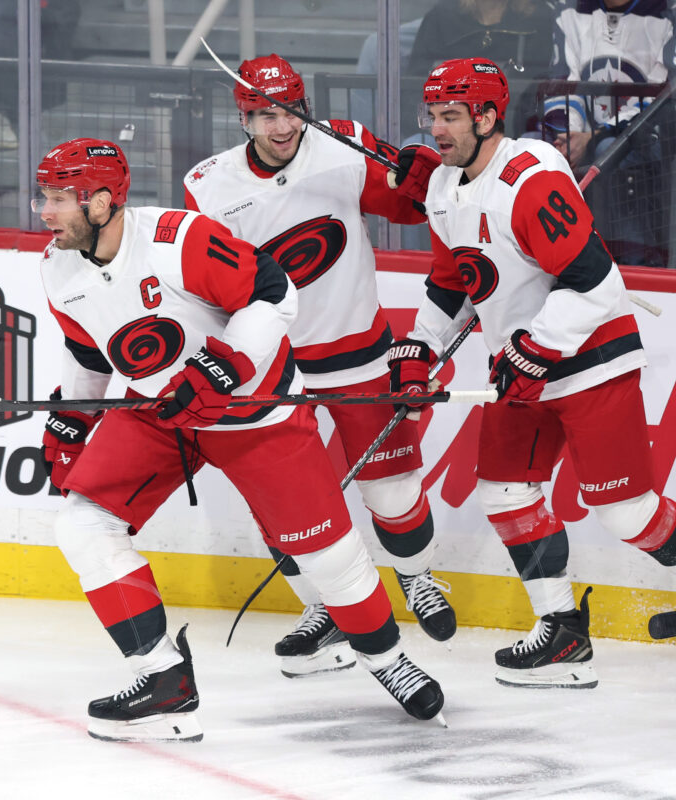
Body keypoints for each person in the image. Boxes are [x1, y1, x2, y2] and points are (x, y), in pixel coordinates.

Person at [36, 137, 445, 740]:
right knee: (82, 523)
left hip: (254, 411)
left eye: (57, 199)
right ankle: (162, 677)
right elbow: (85, 351)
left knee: (329, 558)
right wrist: (70, 421)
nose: (44, 211)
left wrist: (219, 369)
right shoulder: (57, 264)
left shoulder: (180, 239)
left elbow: (275, 294)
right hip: (160, 411)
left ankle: (387, 660)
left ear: (101, 201)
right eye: (44, 196)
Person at [391, 57, 676, 689]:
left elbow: (597, 282)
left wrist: (536, 347)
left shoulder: (531, 178)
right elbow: (452, 283)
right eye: (431, 116)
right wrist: (421, 346)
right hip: (522, 367)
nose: (437, 130)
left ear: (489, 116)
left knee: (623, 512)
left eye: (451, 116)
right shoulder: (443, 188)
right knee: (504, 491)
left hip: (589, 361)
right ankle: (562, 634)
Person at [182, 54, 456, 678]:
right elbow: (206, 283)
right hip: (273, 370)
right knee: (285, 504)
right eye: (266, 115)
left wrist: (425, 176)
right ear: (245, 117)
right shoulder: (207, 183)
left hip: (357, 351)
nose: (283, 128)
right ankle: (324, 607)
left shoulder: (347, 146)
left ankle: (417, 580)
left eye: (292, 112)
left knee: (394, 490)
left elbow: (413, 208)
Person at [543, 0, 676, 266]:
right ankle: (556, 260)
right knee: (536, 150)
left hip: (668, 142)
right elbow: (563, 84)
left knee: (608, 150)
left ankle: (637, 261)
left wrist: (594, 136)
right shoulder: (570, 10)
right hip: (591, 139)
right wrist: (567, 136)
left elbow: (670, 102)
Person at [407, 0, 558, 136]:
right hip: (447, 130)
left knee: (533, 142)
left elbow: (540, 87)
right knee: (417, 146)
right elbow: (414, 86)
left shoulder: (539, 18)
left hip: (513, 130)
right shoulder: (440, 17)